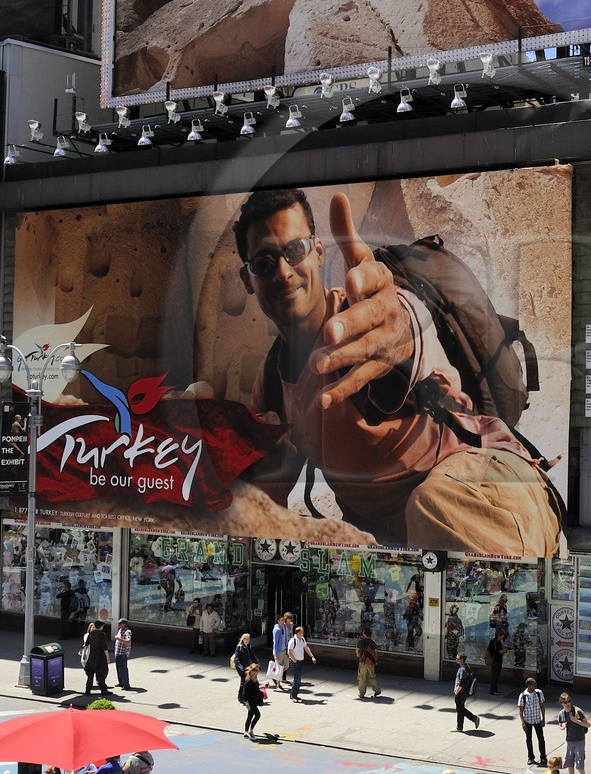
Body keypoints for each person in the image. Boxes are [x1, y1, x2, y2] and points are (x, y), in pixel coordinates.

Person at [234, 187, 561, 555]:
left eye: (294, 250)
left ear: (317, 252)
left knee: (433, 505)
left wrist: (402, 332)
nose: (282, 271)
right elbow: (262, 506)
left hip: (489, 489)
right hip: (399, 543)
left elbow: (405, 328)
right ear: (248, 280)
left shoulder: (367, 317)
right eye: (263, 263)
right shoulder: (273, 384)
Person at [557, 690, 591, 774]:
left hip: (579, 740)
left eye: (568, 701)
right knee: (569, 762)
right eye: (565, 702)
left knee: (579, 764)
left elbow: (588, 724)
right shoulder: (562, 714)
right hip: (569, 741)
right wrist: (562, 727)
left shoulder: (577, 711)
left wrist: (576, 721)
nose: (567, 704)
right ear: (561, 704)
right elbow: (560, 724)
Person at [518, 677, 546, 765]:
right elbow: (520, 710)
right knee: (529, 739)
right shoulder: (523, 696)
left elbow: (542, 706)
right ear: (529, 685)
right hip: (528, 721)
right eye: (534, 684)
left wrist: (543, 719)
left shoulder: (538, 693)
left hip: (537, 720)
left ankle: (543, 757)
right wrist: (523, 723)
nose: (536, 685)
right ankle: (530, 757)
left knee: (541, 739)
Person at [287, 623, 316, 701]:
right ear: (298, 633)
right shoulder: (293, 641)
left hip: (301, 662)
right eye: (302, 632)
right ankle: (293, 695)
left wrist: (312, 656)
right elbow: (289, 652)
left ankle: (294, 695)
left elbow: (306, 648)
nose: (303, 633)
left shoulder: (302, 639)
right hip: (295, 662)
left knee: (297, 679)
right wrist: (294, 661)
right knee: (297, 679)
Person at [82, 620, 111, 698]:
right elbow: (105, 647)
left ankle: (87, 690)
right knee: (101, 674)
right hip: (100, 657)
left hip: (92, 656)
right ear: (100, 627)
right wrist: (108, 658)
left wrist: (84, 654)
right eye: (102, 626)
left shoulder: (90, 633)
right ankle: (103, 690)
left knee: (90, 675)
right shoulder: (102, 634)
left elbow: (86, 645)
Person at [453, 652, 480, 731]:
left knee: (460, 710)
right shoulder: (467, 667)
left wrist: (457, 691)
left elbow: (462, 682)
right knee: (460, 709)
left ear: (462, 660)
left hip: (461, 692)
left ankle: (460, 727)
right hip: (465, 692)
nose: (456, 660)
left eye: (457, 659)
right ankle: (473, 719)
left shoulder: (462, 669)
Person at [356, 622, 381, 700]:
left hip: (362, 662)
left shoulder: (361, 642)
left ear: (364, 633)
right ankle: (377, 690)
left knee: (362, 677)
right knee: (372, 677)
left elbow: (357, 651)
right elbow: (376, 652)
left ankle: (362, 693)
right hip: (370, 662)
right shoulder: (372, 642)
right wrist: (374, 660)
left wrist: (358, 656)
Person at [241, 663, 265, 739]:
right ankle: (251, 731)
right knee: (257, 715)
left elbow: (256, 687)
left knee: (250, 716)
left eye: (258, 670)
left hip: (254, 700)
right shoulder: (248, 680)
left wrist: (263, 685)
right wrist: (246, 703)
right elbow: (244, 693)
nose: (257, 672)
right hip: (251, 702)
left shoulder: (255, 678)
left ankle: (246, 731)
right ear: (251, 671)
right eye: (256, 670)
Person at [485, 622, 506, 695]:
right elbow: (491, 651)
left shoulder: (499, 642)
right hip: (494, 661)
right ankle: (492, 690)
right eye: (501, 637)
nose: (502, 638)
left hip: (499, 660)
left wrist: (503, 651)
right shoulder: (493, 642)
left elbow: (500, 649)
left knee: (497, 676)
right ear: (498, 636)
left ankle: (496, 689)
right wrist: (499, 652)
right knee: (494, 676)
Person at [113, 619, 132, 692]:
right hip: (117, 653)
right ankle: (121, 682)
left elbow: (128, 641)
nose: (119, 625)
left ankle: (126, 684)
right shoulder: (120, 630)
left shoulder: (128, 632)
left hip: (123, 653)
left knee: (123, 669)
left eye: (120, 623)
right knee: (119, 669)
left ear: (124, 624)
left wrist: (119, 639)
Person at [272, 611, 291, 684]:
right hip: (279, 651)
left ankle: (275, 676)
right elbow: (275, 643)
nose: (283, 621)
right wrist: (276, 654)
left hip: (284, 650)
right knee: (279, 667)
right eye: (282, 620)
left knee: (286, 666)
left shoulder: (285, 627)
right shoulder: (277, 630)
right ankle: (278, 683)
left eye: (284, 620)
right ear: (278, 621)